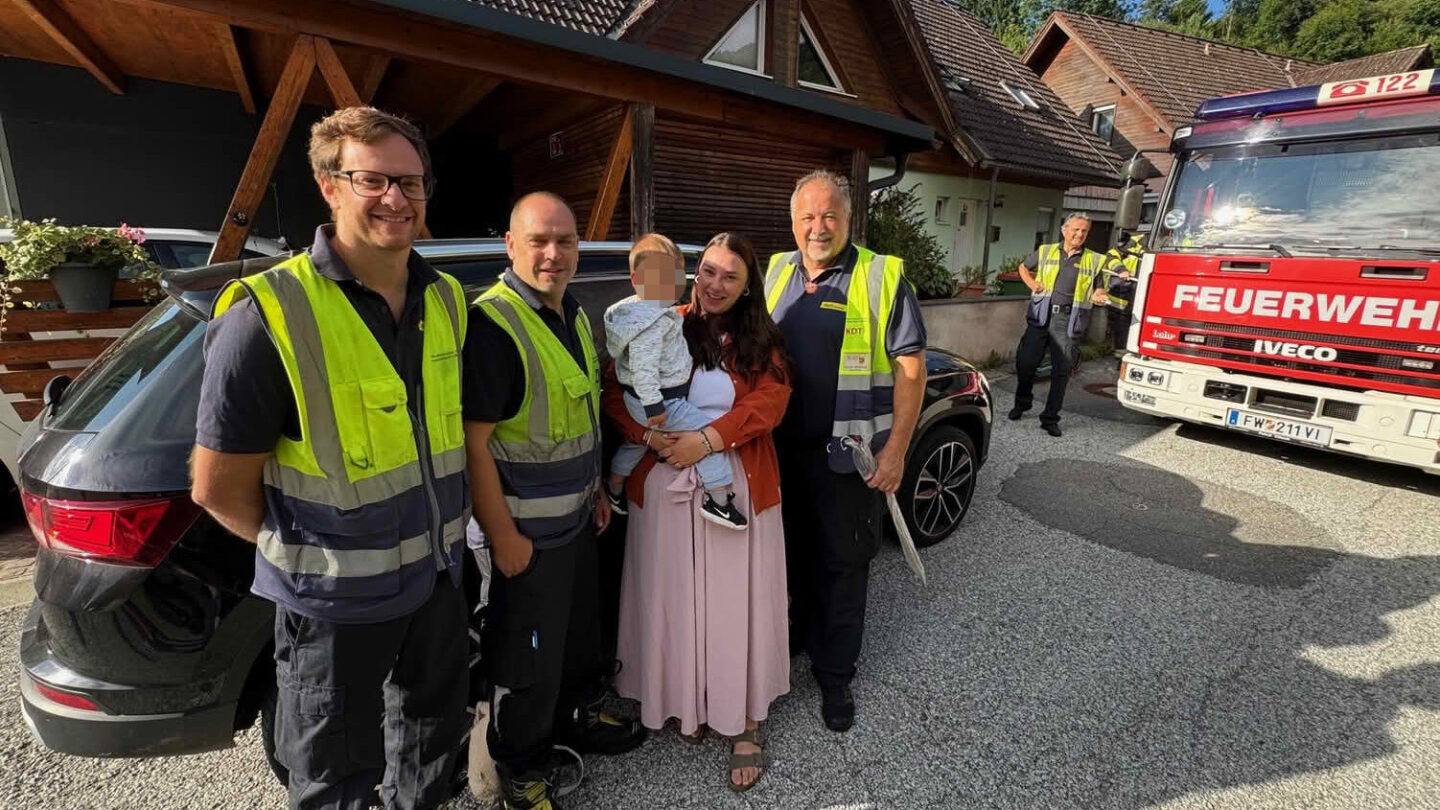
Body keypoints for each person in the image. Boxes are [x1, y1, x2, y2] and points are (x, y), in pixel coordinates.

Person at [191, 107, 470, 810]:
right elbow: (218, 486)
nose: (396, 200)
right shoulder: (267, 313)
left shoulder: (449, 302)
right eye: (372, 180)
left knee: (432, 750)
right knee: (335, 781)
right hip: (334, 604)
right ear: (330, 186)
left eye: (410, 182)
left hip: (436, 580)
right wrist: (313, 543)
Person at [463, 191, 646, 810]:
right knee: (526, 660)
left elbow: (576, 416)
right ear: (511, 246)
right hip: (526, 537)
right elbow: (473, 446)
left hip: (575, 520)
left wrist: (596, 485)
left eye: (565, 240)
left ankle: (578, 721)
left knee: (576, 638)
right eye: (538, 241)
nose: (553, 253)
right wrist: (504, 537)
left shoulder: (569, 314)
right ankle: (523, 771)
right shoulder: (494, 324)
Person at [604, 231, 792, 792]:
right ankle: (690, 703)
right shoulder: (659, 318)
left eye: (729, 276)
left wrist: (707, 440)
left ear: (746, 285)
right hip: (663, 484)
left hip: (733, 481)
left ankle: (746, 720)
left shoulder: (762, 339)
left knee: (736, 603)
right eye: (707, 271)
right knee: (678, 599)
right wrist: (651, 437)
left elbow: (770, 402)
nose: (713, 285)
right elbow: (616, 390)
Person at [766, 169, 927, 733]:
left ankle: (835, 675)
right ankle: (797, 644)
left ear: (849, 218)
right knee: (790, 558)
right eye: (807, 216)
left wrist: (898, 449)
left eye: (829, 215)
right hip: (780, 454)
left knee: (844, 563)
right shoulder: (777, 271)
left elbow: (911, 366)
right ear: (792, 222)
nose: (818, 227)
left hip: (850, 456)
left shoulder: (880, 276)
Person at [604, 233, 746, 529]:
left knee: (634, 447)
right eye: (708, 272)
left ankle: (614, 486)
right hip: (662, 402)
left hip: (646, 404)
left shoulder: (653, 313)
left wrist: (645, 433)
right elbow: (640, 371)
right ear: (636, 279)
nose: (716, 285)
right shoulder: (652, 323)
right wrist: (655, 408)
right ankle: (718, 499)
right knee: (705, 438)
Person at [1010, 212, 1112, 437]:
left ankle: (1050, 418)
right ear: (1064, 230)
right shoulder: (1046, 250)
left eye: (1084, 231)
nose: (1080, 234)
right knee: (1026, 364)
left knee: (1061, 371)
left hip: (1067, 320)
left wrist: (1098, 295)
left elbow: (1099, 287)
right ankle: (1022, 403)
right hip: (1040, 317)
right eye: (1076, 229)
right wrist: (1032, 283)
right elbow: (1023, 267)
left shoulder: (1094, 259)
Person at [1105, 231, 1144, 356]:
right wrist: (1121, 269)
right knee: (1121, 327)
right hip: (1122, 295)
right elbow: (1111, 256)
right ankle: (1120, 356)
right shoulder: (1136, 243)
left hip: (1140, 294)